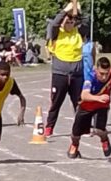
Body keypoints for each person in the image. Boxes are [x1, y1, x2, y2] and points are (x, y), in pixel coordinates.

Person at [45, 0, 85, 138]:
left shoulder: (78, 32)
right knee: (56, 102)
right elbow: (55, 22)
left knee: (79, 102)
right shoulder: (56, 32)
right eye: (67, 21)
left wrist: (76, 9)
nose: (69, 24)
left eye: (71, 22)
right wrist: (65, 10)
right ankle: (49, 127)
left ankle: (82, 127)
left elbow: (85, 21)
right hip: (60, 74)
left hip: (76, 74)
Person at [68, 57, 111, 159]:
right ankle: (74, 145)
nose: (104, 77)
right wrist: (98, 98)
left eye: (106, 73)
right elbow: (84, 95)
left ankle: (104, 139)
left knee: (99, 130)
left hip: (102, 106)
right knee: (75, 133)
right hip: (86, 106)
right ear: (96, 70)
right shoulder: (90, 78)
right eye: (101, 73)